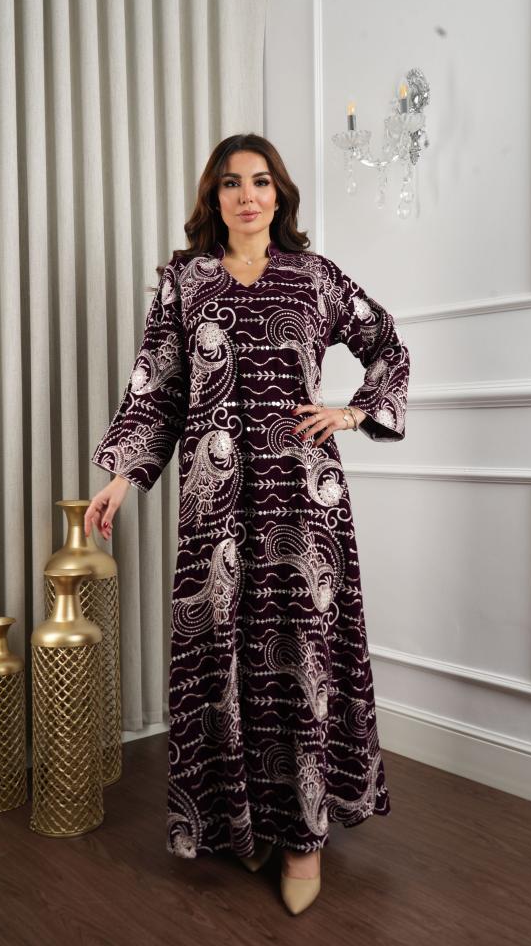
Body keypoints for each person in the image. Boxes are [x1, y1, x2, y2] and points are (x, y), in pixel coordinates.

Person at [84, 133, 410, 916]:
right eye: (231, 183)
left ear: (280, 194)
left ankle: (303, 840)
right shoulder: (184, 283)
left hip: (303, 500)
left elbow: (387, 347)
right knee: (222, 655)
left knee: (299, 657)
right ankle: (244, 818)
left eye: (261, 182)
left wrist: (352, 412)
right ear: (214, 197)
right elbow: (157, 390)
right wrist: (121, 477)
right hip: (215, 506)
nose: (247, 196)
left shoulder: (316, 276)